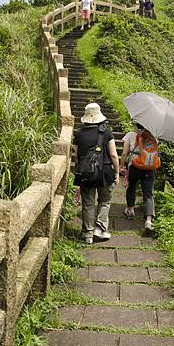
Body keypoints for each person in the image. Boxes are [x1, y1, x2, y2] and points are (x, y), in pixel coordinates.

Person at [73, 103, 119, 244]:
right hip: (105, 171)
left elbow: (76, 155)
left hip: (87, 172)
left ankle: (88, 234)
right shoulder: (106, 132)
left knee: (88, 203)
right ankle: (99, 229)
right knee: (104, 200)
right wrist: (117, 172)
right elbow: (113, 154)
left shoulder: (79, 134)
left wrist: (79, 173)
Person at [119, 123, 157, 233]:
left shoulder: (130, 135)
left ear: (136, 125)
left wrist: (121, 166)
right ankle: (148, 220)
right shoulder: (153, 136)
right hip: (149, 168)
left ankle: (130, 210)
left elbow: (125, 153)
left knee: (131, 188)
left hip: (135, 167)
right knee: (148, 194)